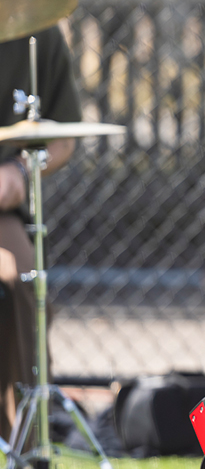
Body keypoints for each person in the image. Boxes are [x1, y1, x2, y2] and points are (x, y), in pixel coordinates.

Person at [0, 22, 81, 441]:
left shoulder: (38, 32)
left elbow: (64, 138)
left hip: (3, 215)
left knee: (22, 279)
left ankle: (26, 438)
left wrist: (18, 171)